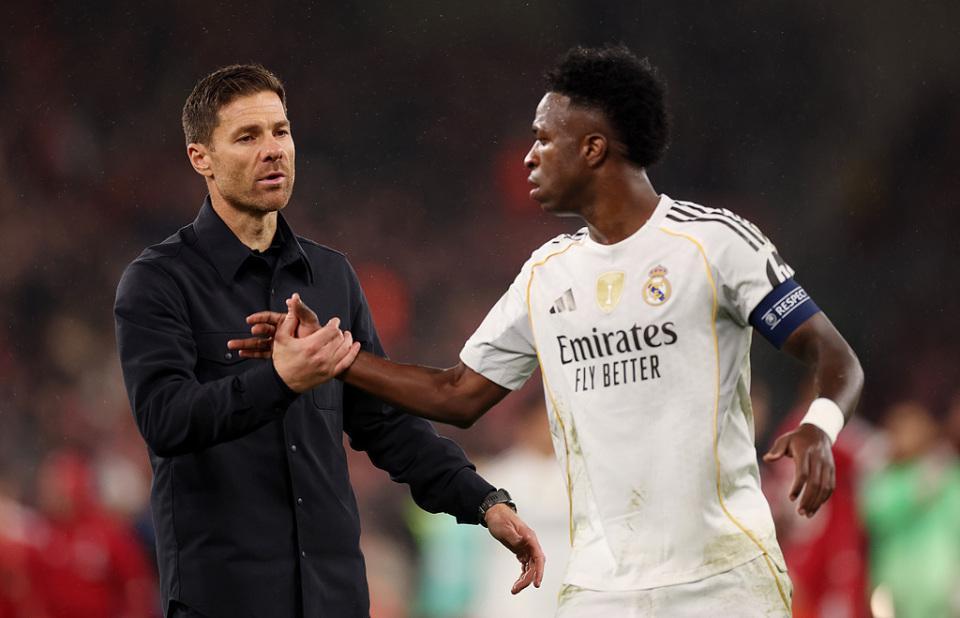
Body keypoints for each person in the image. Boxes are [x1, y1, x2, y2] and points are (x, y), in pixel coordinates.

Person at [233, 46, 864, 616]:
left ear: (593, 148)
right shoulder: (547, 274)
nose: (528, 156)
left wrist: (819, 425)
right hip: (598, 589)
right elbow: (457, 393)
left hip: (721, 579)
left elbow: (833, 355)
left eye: (542, 139)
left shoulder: (714, 244)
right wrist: (334, 356)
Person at [114, 64, 543, 618]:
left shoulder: (331, 276)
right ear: (202, 158)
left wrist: (482, 501)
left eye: (281, 131)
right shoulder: (159, 281)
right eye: (247, 137)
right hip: (225, 599)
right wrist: (280, 380)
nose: (273, 150)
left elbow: (384, 423)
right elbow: (165, 420)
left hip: (333, 598)